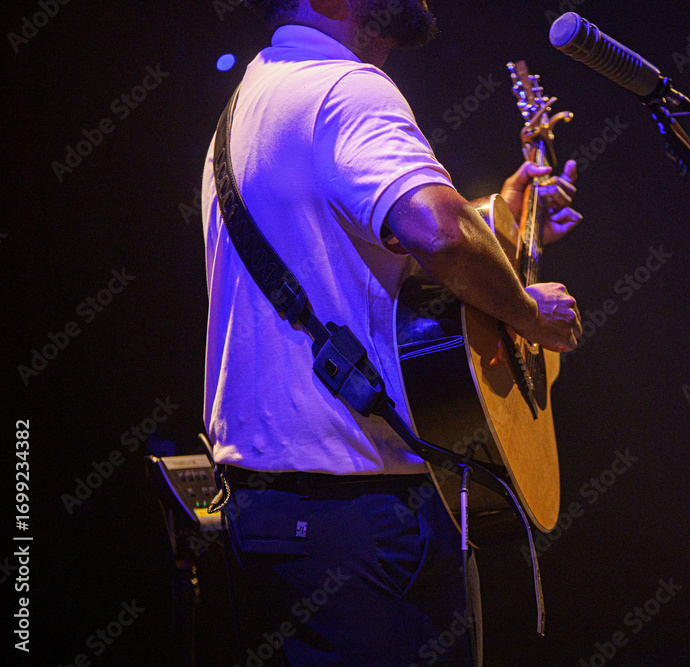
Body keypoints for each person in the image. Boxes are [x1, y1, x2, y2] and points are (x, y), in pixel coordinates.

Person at [200, 0, 583, 664]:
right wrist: (526, 311)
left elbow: (358, 275)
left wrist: (503, 222)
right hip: (363, 513)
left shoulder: (250, 103)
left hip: (272, 518)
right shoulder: (346, 88)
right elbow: (437, 233)